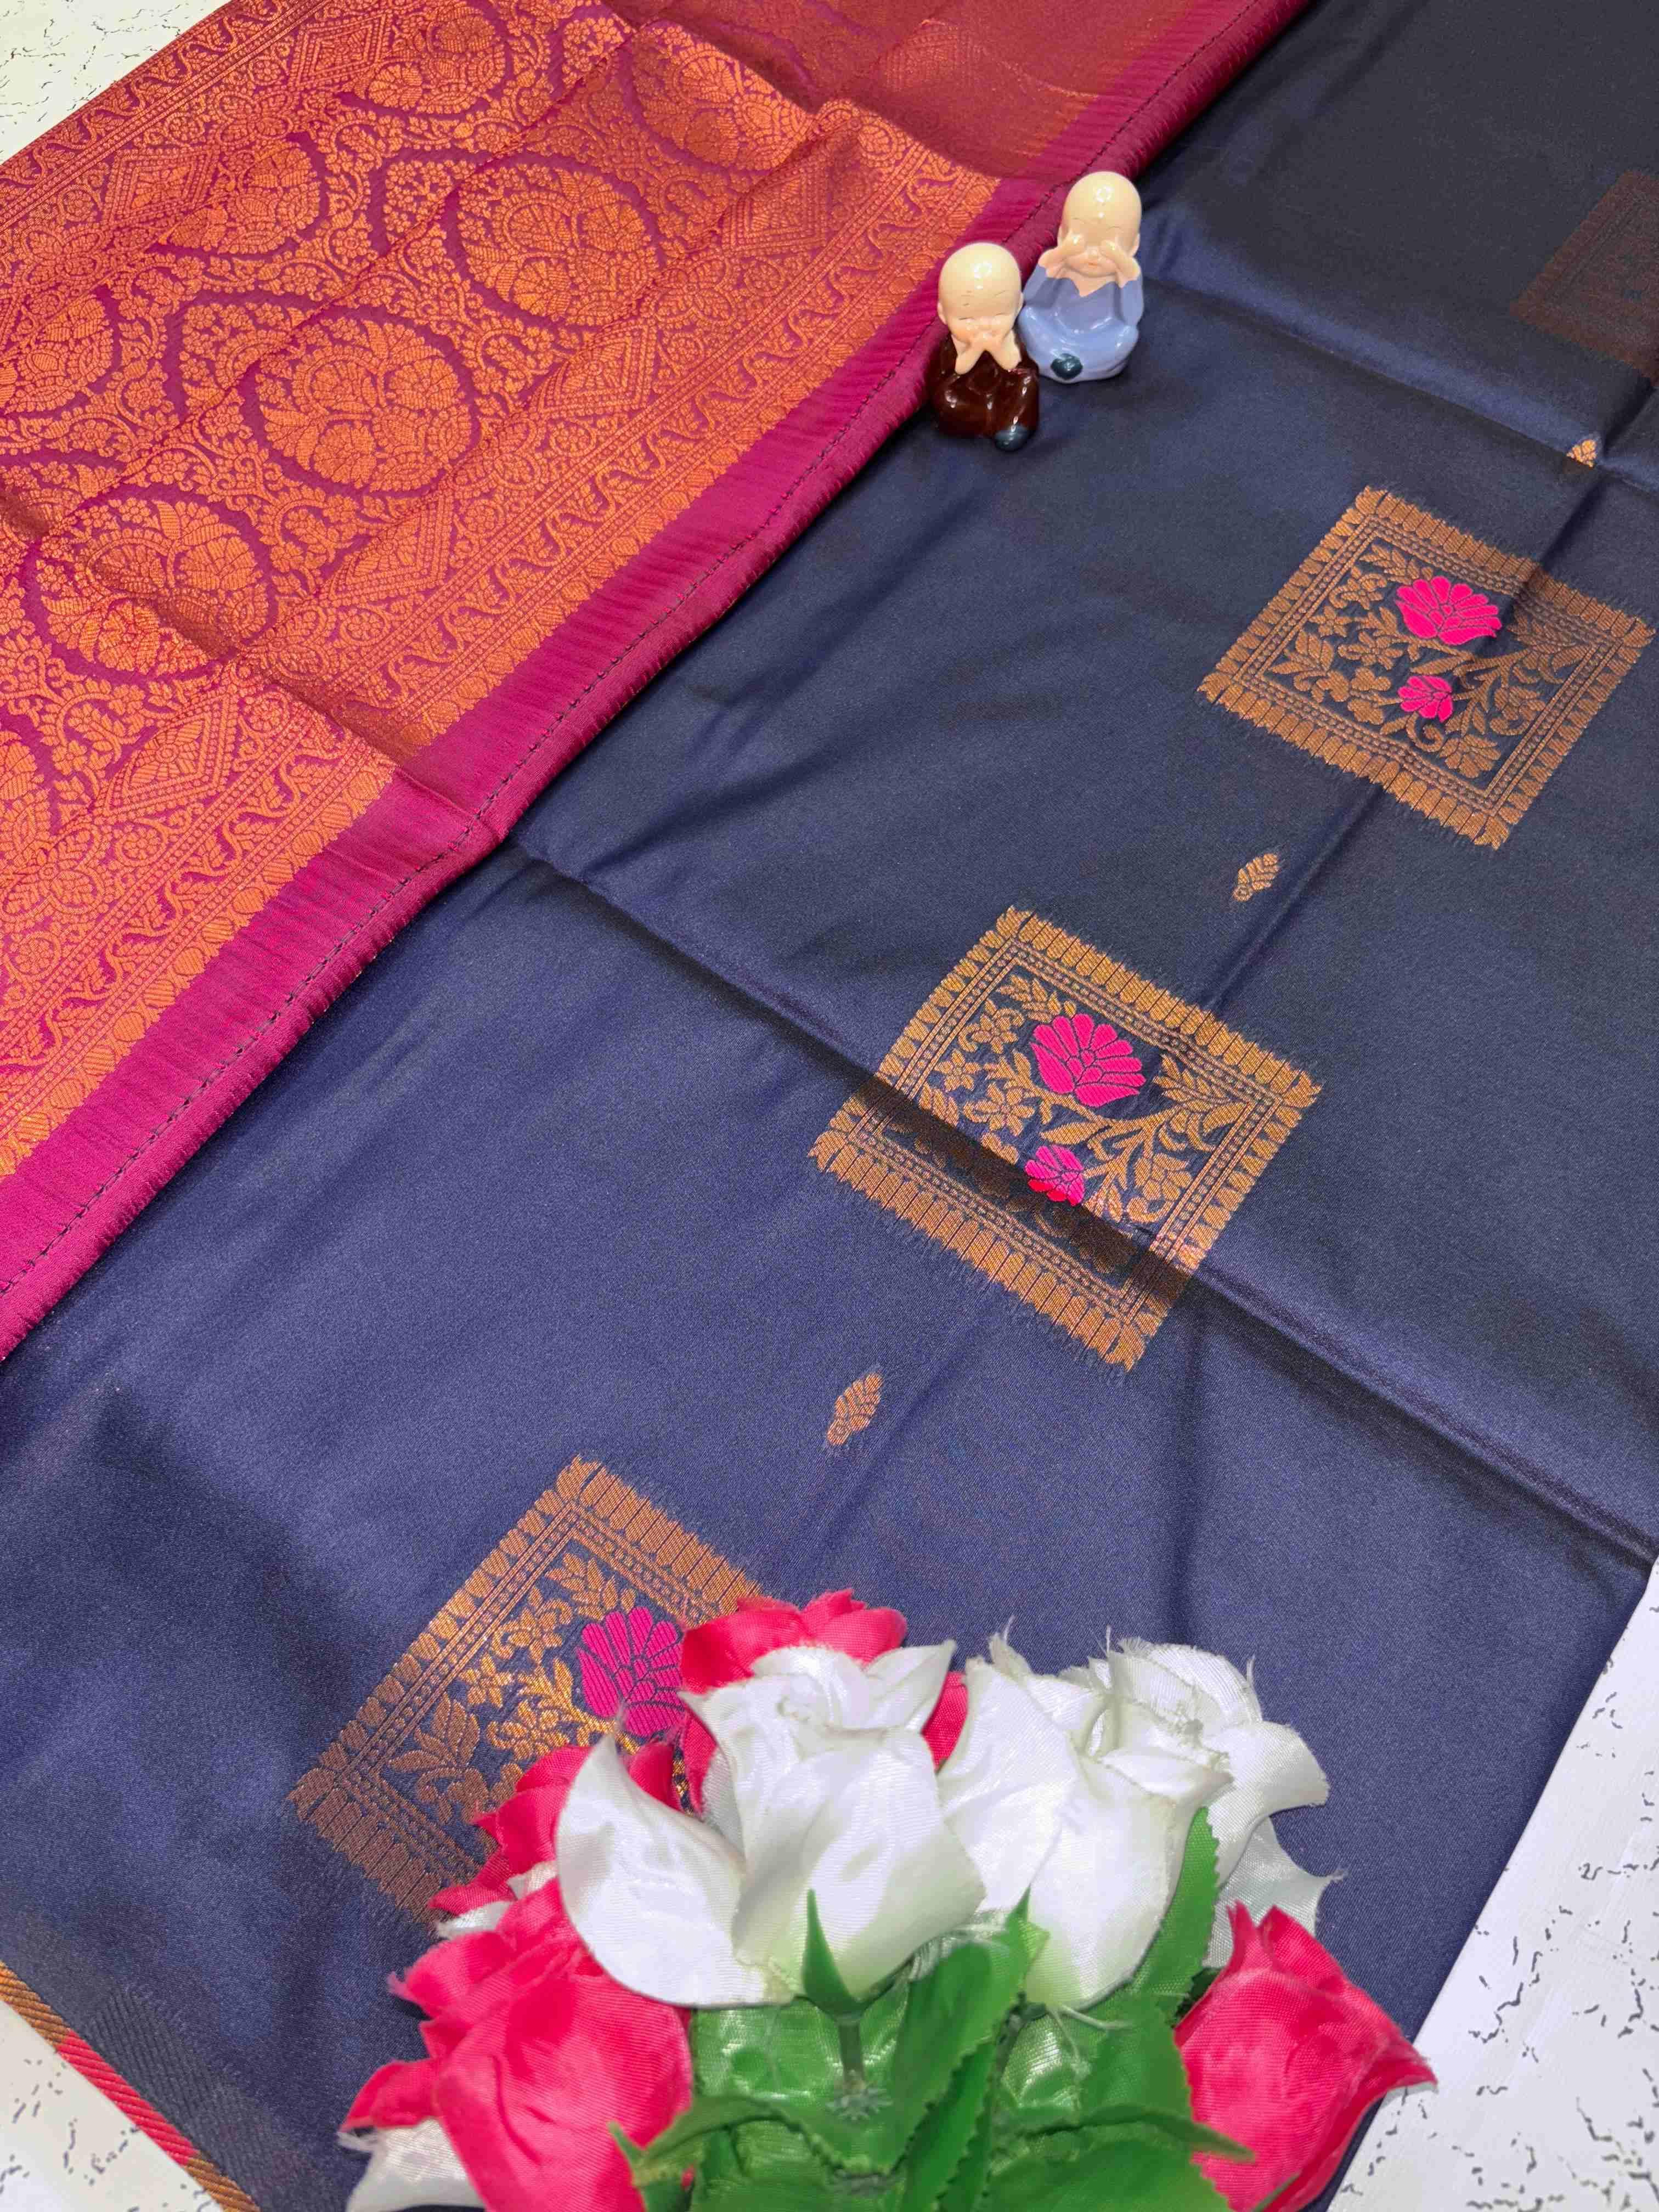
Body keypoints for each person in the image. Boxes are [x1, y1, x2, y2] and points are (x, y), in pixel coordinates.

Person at [1018, 171, 1144, 383]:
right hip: (1054, 327)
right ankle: (1056, 359)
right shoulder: (1061, 264)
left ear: (1132, 247)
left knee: (1126, 337)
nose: (1093, 255)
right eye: (1084, 244)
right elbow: (1032, 299)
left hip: (1098, 337)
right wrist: (1058, 256)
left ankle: (1078, 365)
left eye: (1108, 248)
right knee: (1028, 317)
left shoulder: (1124, 276)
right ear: (1062, 235)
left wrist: (1126, 269)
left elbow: (1131, 318)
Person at [926, 240, 1040, 450]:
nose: (984, 325)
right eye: (967, 318)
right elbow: (958, 370)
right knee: (947, 402)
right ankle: (991, 422)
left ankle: (1015, 424)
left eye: (998, 315)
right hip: (966, 394)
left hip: (1003, 389)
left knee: (1028, 383)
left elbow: (1016, 367)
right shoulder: (951, 347)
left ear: (1017, 306)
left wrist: (997, 348)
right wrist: (976, 348)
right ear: (944, 314)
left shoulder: (1009, 339)